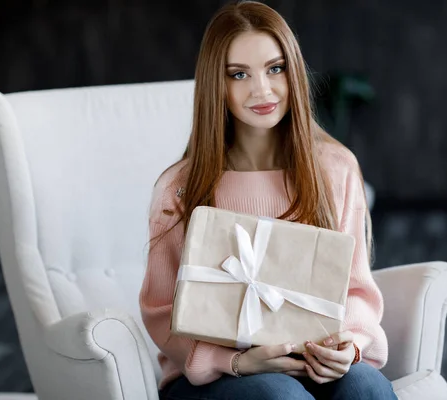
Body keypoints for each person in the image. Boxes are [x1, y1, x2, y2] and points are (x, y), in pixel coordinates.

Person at [139, 1, 397, 399]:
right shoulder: (178, 187)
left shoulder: (336, 168)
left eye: (275, 68)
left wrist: (351, 347)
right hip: (212, 381)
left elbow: (357, 291)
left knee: (366, 386)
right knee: (280, 395)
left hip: (310, 363)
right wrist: (237, 362)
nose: (262, 89)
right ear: (216, 85)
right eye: (239, 74)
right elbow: (161, 310)